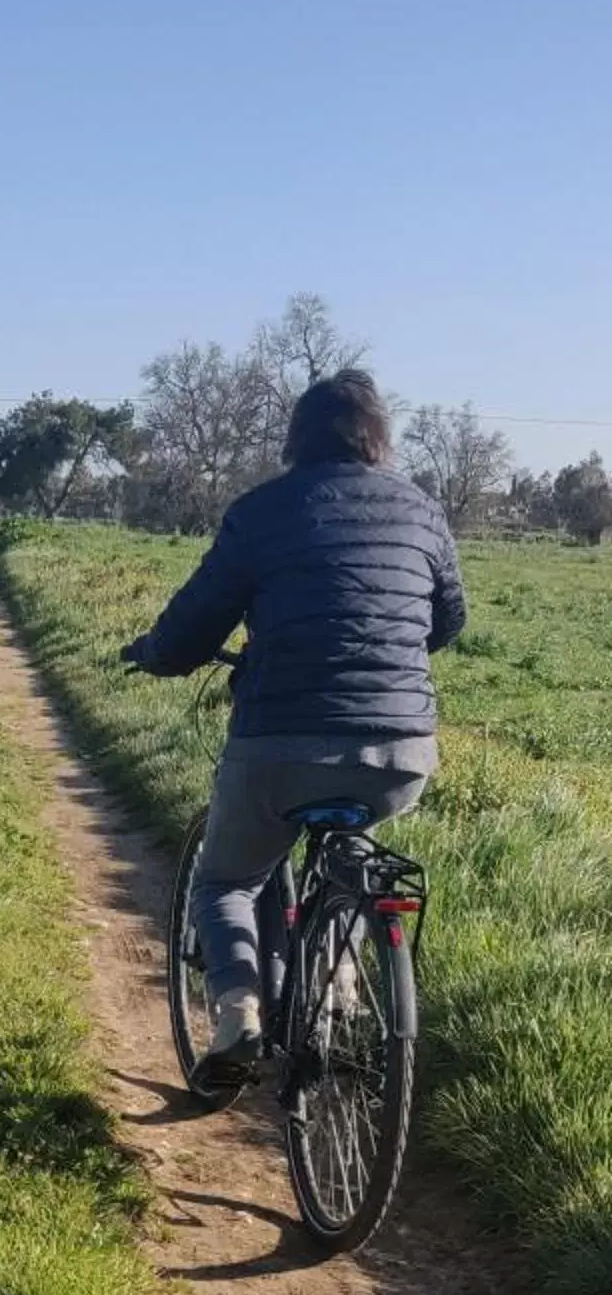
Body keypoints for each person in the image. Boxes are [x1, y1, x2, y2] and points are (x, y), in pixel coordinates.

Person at [120, 369, 467, 1088]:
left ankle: (240, 1012)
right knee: (352, 847)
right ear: (379, 438)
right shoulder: (424, 511)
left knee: (226, 882)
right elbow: (448, 619)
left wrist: (155, 656)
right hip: (400, 748)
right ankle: (339, 983)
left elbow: (193, 624)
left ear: (296, 439)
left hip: (279, 741)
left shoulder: (263, 511)